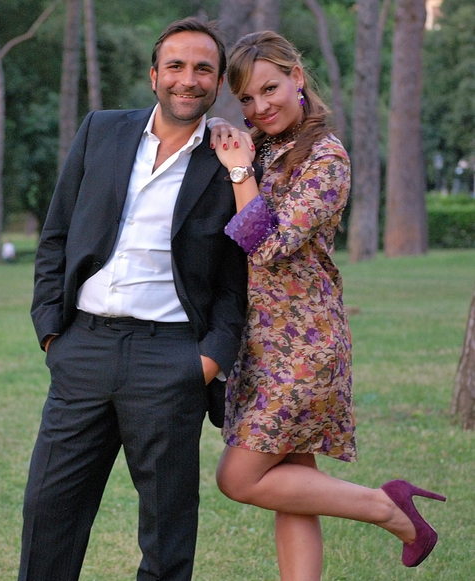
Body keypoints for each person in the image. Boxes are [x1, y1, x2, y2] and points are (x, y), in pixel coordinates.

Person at [208, 30, 446, 580]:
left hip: (303, 345)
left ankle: (388, 507)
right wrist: (223, 131)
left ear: (297, 76)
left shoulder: (325, 157)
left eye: (270, 88)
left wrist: (240, 170)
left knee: (238, 478)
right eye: (246, 98)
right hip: (259, 344)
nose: (260, 106)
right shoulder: (265, 144)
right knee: (294, 482)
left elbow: (268, 247)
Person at [18, 18, 248, 581]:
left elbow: (237, 280)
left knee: (168, 531)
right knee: (49, 512)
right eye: (176, 66)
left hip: (170, 358)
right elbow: (56, 234)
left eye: (203, 69)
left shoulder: (228, 161)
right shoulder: (101, 130)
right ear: (153, 75)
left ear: (218, 83)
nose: (188, 79)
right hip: (82, 348)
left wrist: (207, 361)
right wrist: (51, 331)